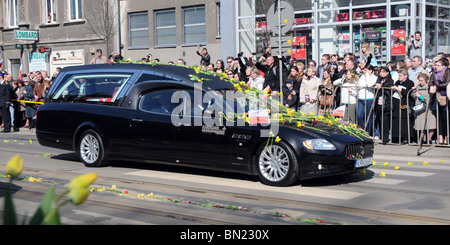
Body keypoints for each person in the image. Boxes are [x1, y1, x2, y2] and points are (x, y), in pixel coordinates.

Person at [429, 57, 449, 145]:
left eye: (438, 65)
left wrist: (436, 86)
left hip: (446, 97)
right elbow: (430, 82)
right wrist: (431, 86)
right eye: (435, 65)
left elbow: (447, 83)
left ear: (443, 66)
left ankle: (446, 138)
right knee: (439, 118)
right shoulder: (434, 73)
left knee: (446, 118)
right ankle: (440, 137)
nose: (436, 66)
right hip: (437, 97)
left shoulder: (448, 71)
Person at [391, 69, 415, 144]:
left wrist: (399, 89)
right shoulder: (397, 82)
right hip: (397, 104)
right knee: (397, 122)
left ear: (406, 76)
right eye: (399, 75)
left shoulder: (410, 83)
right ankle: (398, 137)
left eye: (401, 76)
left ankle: (406, 138)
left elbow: (408, 92)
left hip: (405, 104)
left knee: (405, 122)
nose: (399, 77)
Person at [412, 73, 436, 144]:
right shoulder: (418, 86)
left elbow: (429, 99)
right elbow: (413, 96)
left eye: (422, 81)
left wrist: (420, 97)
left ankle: (430, 138)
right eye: (419, 81)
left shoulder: (429, 87)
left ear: (426, 80)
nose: (420, 82)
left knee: (431, 124)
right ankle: (423, 139)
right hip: (420, 108)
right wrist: (413, 92)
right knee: (421, 124)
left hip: (428, 108)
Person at [374, 67, 395, 144]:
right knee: (379, 120)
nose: (381, 73)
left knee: (385, 121)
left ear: (387, 73)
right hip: (379, 102)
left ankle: (385, 138)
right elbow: (375, 86)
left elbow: (387, 89)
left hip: (386, 102)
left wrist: (380, 87)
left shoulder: (390, 81)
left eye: (383, 72)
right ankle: (381, 136)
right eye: (380, 72)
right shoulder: (379, 80)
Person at [357, 65, 378, 134]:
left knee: (368, 117)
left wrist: (368, 76)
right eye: (364, 70)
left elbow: (369, 84)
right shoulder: (362, 76)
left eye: (366, 70)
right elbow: (359, 85)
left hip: (369, 98)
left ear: (370, 70)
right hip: (361, 98)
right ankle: (363, 129)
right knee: (359, 116)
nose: (364, 72)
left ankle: (369, 132)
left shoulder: (374, 77)